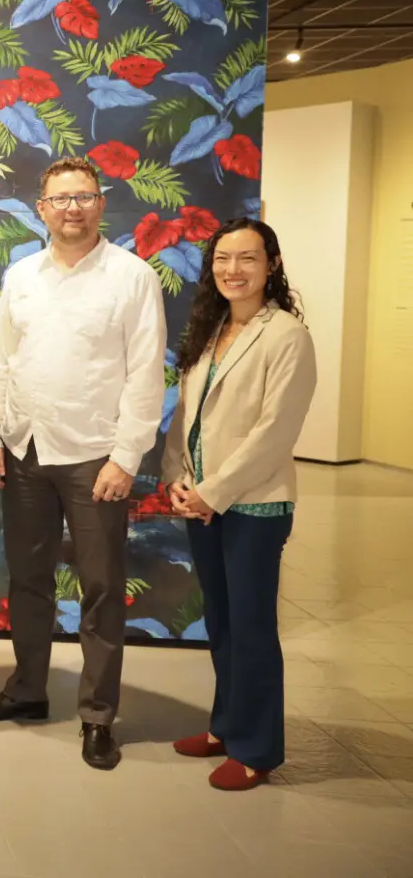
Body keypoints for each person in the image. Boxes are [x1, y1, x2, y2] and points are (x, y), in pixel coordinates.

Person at [0, 156, 166, 771]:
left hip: (95, 456)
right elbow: (0, 361)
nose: (72, 207)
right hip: (24, 449)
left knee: (101, 588)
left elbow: (146, 374)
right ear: (41, 210)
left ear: (101, 204)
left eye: (83, 196)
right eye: (60, 198)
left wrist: (126, 456)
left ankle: (98, 716)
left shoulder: (132, 277)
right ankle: (27, 690)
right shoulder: (22, 275)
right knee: (26, 579)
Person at [161, 219, 315, 791]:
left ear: (271, 264)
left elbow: (275, 432)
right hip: (203, 500)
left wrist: (213, 491)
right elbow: (188, 415)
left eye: (247, 258)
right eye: (223, 258)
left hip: (253, 505)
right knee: (221, 624)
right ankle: (226, 727)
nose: (233, 270)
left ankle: (257, 748)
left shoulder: (286, 337)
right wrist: (179, 478)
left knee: (251, 627)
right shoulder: (213, 327)